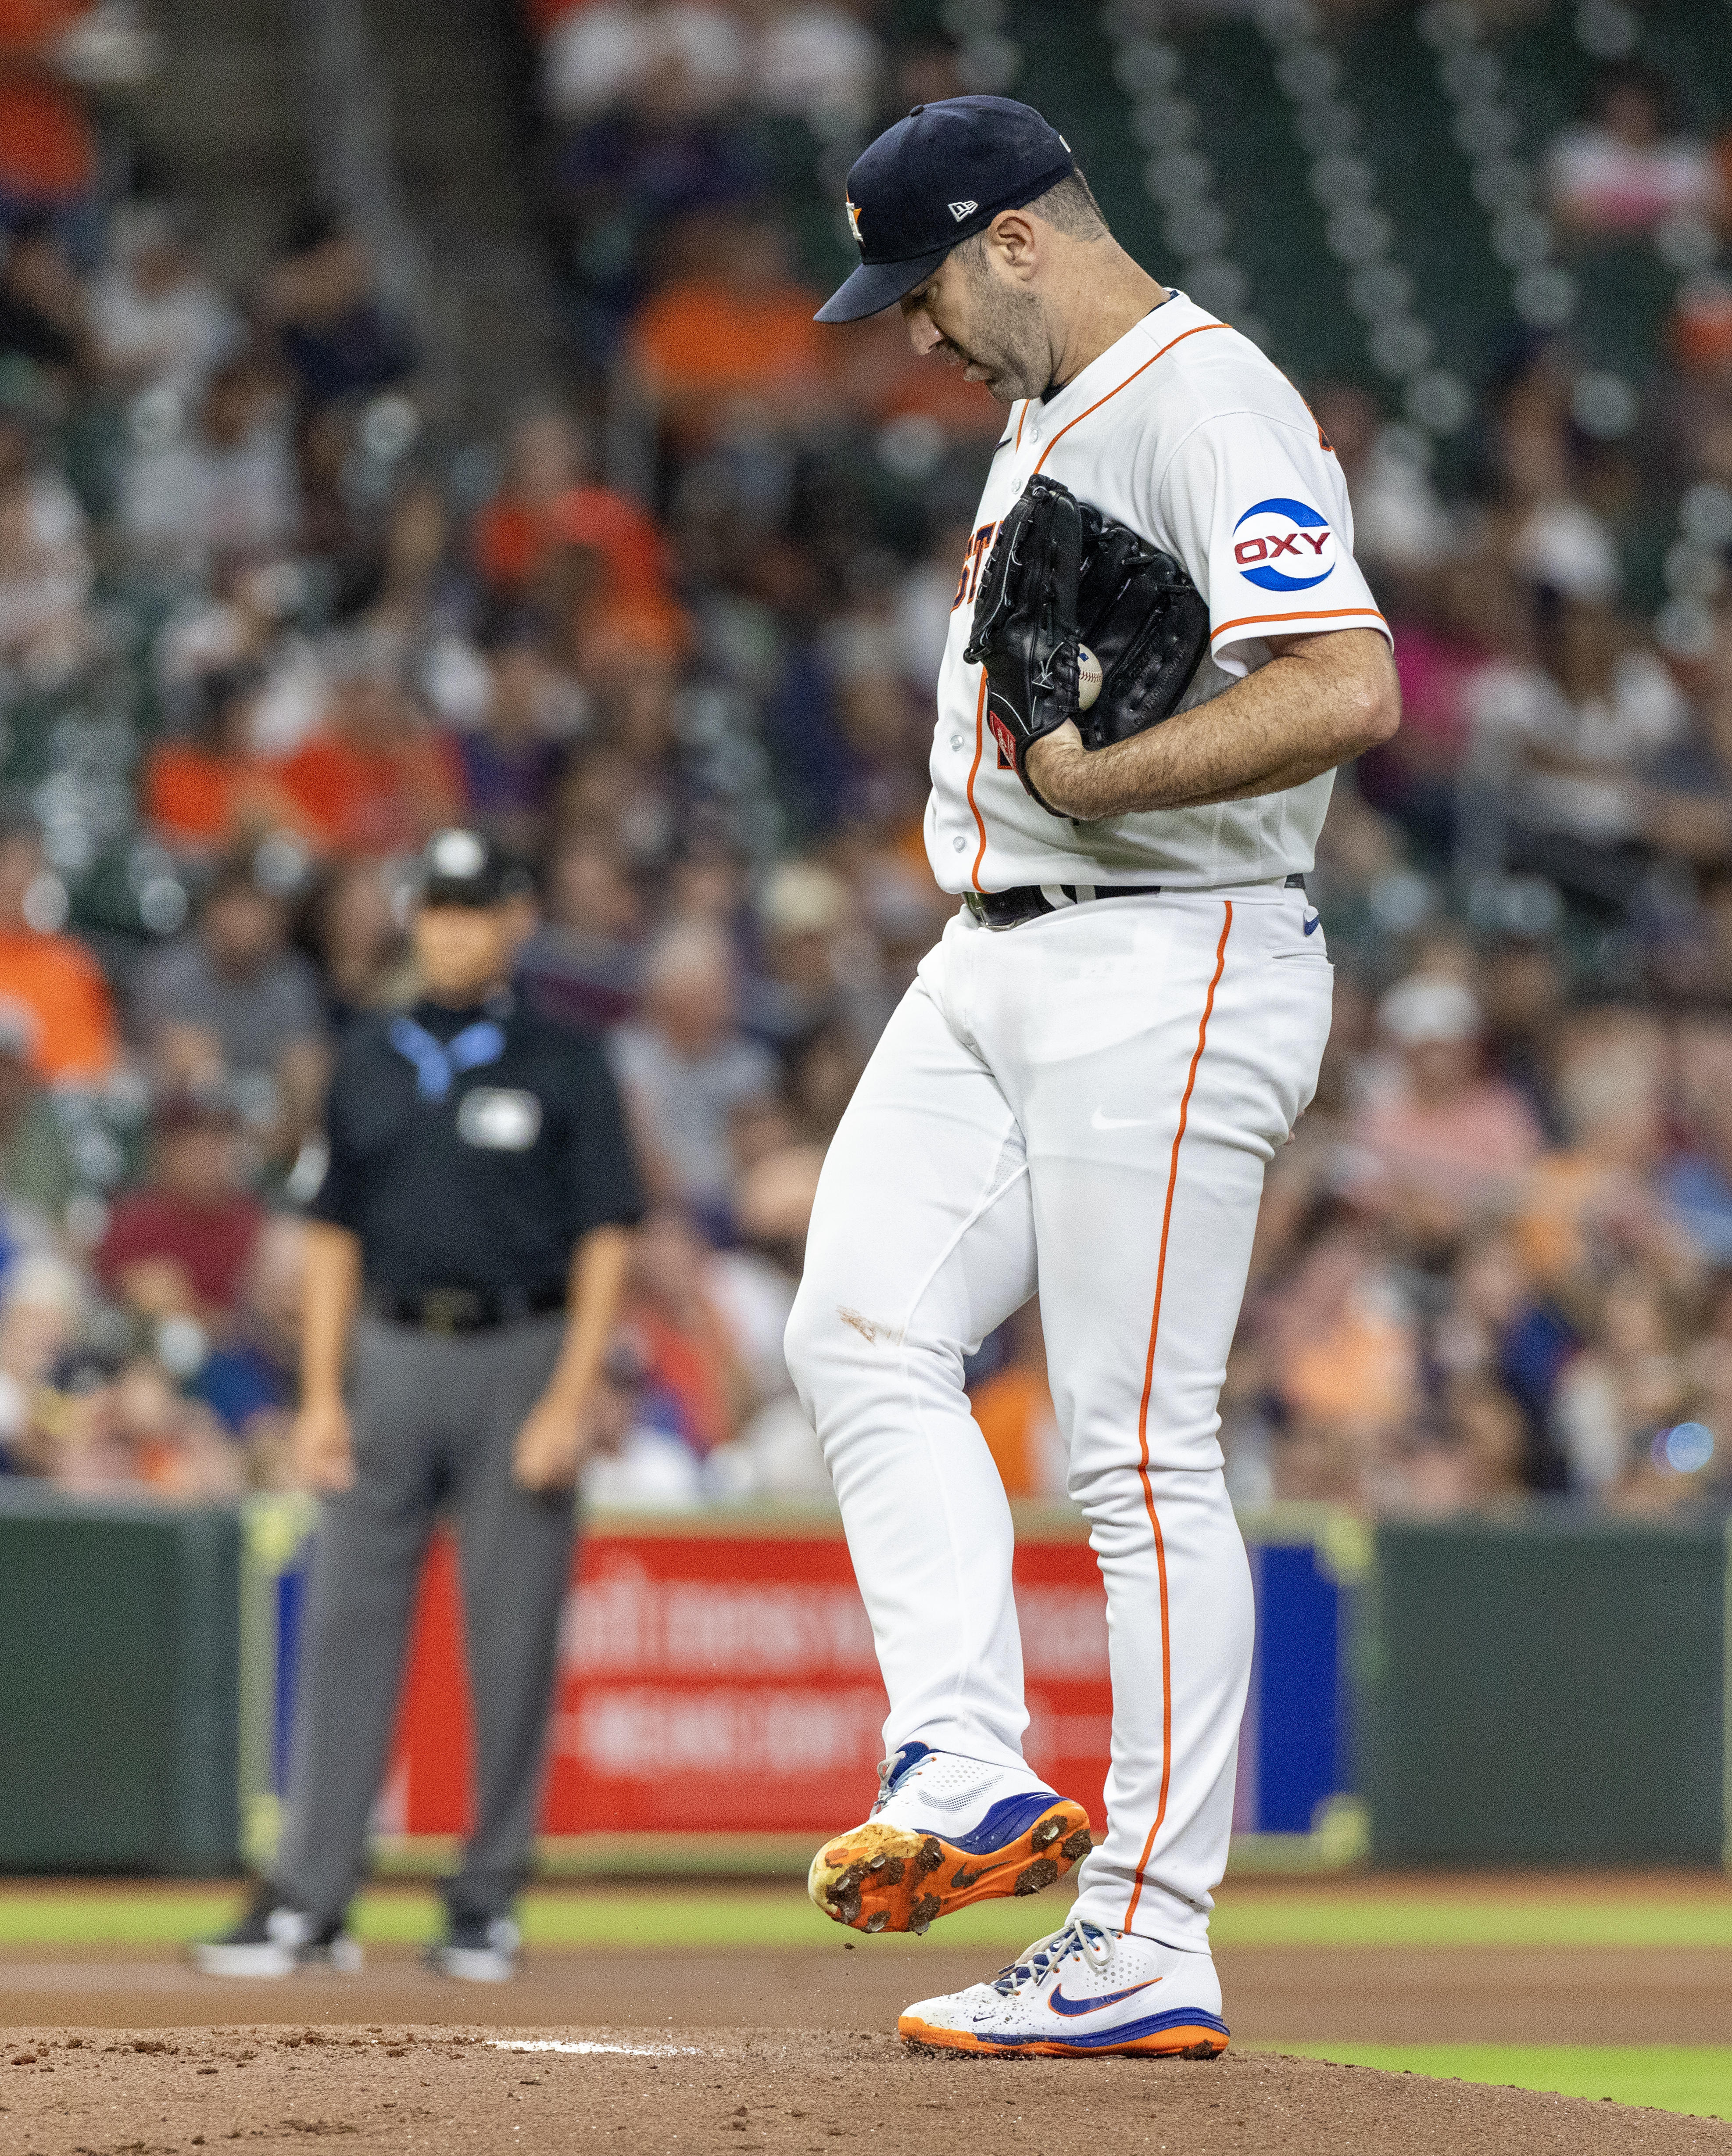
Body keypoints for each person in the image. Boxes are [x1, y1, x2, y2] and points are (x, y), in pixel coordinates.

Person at [784, 97, 1398, 2058]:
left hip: (1173, 951)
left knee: (1135, 1455)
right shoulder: (1050, 408)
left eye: (929, 286)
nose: (916, 334)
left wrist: (1098, 780)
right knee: (859, 1326)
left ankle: (1146, 1929)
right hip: (998, 954)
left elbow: (1344, 684)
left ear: (1023, 240)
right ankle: (964, 1764)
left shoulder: (1205, 399)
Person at [193, 828, 641, 1983]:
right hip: (389, 1350)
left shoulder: (566, 1057)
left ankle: (485, 1898)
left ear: (515, 918)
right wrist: (323, 1393)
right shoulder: (370, 1049)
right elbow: (331, 1229)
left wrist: (572, 1389)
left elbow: (606, 1237)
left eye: (472, 907)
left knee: (510, 1642)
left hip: (520, 1350)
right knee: (345, 1629)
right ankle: (310, 1895)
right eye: (435, 907)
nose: (450, 926)